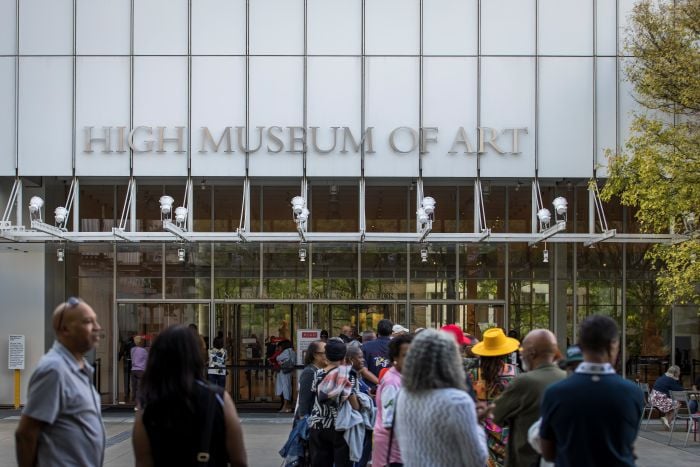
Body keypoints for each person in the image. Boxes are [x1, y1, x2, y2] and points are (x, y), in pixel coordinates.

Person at [132, 325, 247, 467]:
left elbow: (143, 461)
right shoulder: (218, 398)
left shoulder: (147, 404)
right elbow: (239, 460)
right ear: (197, 355)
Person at [539, 315, 644, 467]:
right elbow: (627, 444)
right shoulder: (633, 392)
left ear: (580, 346)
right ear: (614, 345)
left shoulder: (555, 393)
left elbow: (548, 453)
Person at [15, 297, 105, 467]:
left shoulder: (80, 368)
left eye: (96, 321)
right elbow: (26, 433)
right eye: (88, 322)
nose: (97, 327)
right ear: (65, 329)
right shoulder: (54, 370)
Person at [395, 329, 487, 467]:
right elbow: (477, 460)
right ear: (451, 359)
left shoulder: (404, 395)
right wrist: (476, 425)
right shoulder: (457, 401)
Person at [491, 329, 566, 467]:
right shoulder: (567, 378)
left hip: (526, 460)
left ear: (532, 353)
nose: (521, 353)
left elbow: (495, 415)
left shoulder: (524, 382)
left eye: (522, 349)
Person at [469, 327, 520, 467]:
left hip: (481, 433)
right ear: (504, 353)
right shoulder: (514, 373)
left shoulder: (472, 374)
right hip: (507, 432)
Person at [308, 338, 359, 467]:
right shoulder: (347, 375)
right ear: (344, 356)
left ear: (327, 355)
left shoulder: (317, 373)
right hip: (339, 427)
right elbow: (355, 405)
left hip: (318, 426)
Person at [372, 333, 413, 467]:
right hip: (391, 450)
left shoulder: (404, 376)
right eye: (406, 355)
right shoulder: (392, 382)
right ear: (395, 357)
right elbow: (389, 421)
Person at [296, 340, 327, 420]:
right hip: (309, 420)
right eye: (325, 352)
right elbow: (304, 399)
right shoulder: (309, 372)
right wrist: (303, 420)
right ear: (315, 355)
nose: (328, 355)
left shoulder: (320, 371)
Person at [650, 365, 684, 429]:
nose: (680, 373)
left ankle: (667, 423)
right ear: (675, 373)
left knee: (671, 404)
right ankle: (667, 421)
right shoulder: (670, 380)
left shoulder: (663, 377)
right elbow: (679, 390)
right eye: (679, 371)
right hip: (659, 400)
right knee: (677, 404)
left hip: (652, 399)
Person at [362, 319, 393, 386]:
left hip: (371, 390)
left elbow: (364, 371)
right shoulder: (398, 347)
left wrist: (379, 383)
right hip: (392, 387)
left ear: (377, 331)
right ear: (391, 332)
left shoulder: (365, 346)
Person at [275, 339, 296, 413]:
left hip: (284, 372)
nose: (279, 348)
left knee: (285, 388)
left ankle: (285, 406)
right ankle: (288, 406)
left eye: (279, 346)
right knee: (287, 387)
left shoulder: (286, 351)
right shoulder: (293, 352)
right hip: (289, 372)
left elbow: (278, 358)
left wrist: (280, 360)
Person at [131, 335, 148, 405]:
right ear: (141, 342)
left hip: (133, 370)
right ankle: (138, 402)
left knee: (134, 386)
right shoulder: (144, 351)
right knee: (139, 387)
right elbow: (147, 359)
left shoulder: (132, 350)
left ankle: (133, 398)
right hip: (140, 370)